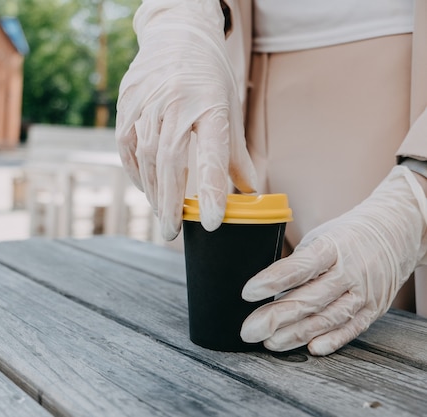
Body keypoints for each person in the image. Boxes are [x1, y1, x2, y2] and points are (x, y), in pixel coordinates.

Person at [115, 0, 427, 356]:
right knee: (198, 345)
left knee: (354, 322)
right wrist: (181, 15)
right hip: (224, 69)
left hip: (391, 81)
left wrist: (416, 196)